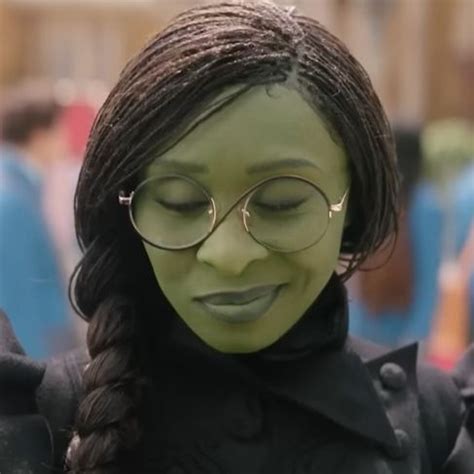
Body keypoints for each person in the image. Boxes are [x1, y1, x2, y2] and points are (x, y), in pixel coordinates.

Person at [0, 2, 472, 473]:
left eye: (281, 204)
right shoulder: (38, 423)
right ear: (126, 209)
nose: (228, 254)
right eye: (180, 204)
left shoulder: (440, 425)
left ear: (352, 203)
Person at [0, 88, 72, 357]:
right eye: (60, 130)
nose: (65, 140)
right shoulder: (11, 200)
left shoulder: (21, 189)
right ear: (40, 135)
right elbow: (17, 301)